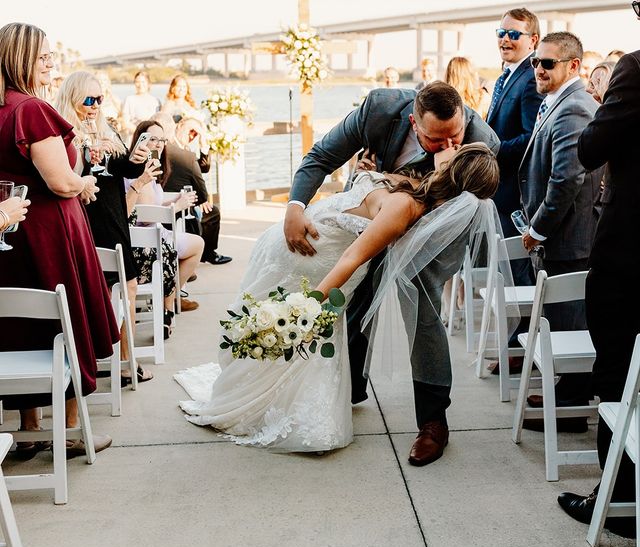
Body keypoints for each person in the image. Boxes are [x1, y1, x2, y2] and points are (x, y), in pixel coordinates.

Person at [175, 144, 501, 452]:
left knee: (278, 340)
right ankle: (254, 399)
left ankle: (261, 393)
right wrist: (310, 305)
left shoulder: (410, 185)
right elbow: (352, 257)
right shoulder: (405, 208)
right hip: (310, 259)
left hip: (296, 246)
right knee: (284, 333)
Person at [284, 81, 500, 465]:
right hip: (380, 207)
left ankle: (433, 422)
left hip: (436, 223)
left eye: (456, 134)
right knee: (354, 294)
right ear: (414, 123)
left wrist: (443, 176)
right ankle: (349, 386)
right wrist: (295, 206)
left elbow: (452, 216)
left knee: (421, 300)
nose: (449, 145)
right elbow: (321, 156)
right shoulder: (380, 108)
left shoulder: (483, 142)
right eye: (436, 139)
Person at [0, 22, 118, 456]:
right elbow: (60, 182)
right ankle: (66, 431)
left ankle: (27, 427)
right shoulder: (30, 109)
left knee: (19, 322)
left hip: (11, 234)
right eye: (44, 57)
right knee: (60, 319)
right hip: (47, 231)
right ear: (20, 60)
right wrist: (82, 181)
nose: (52, 63)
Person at [557, 0, 640, 539]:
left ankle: (617, 499)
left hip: (633, 252)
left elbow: (590, 147)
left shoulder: (635, 70)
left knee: (618, 370)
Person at [517, 32, 603, 429]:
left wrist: (538, 229)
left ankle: (570, 409)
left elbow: (567, 179)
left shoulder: (575, 108)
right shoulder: (558, 103)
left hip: (569, 237)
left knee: (570, 323)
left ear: (573, 66)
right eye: (536, 62)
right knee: (564, 320)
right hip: (563, 236)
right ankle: (566, 393)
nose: (538, 69)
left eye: (548, 63)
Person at [54, 70, 153, 384]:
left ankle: (126, 363)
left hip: (112, 219)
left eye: (99, 99)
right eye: (88, 99)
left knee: (127, 289)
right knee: (86, 294)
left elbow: (123, 167)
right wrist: (86, 153)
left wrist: (135, 157)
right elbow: (66, 176)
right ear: (72, 98)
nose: (95, 105)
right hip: (82, 222)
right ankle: (93, 363)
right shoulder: (62, 132)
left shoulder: (105, 128)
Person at [128, 120, 204, 310]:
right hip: (146, 241)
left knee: (194, 242)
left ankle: (170, 295)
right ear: (140, 140)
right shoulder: (139, 171)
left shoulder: (151, 166)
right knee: (197, 245)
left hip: (153, 234)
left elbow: (152, 206)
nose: (159, 144)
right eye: (153, 139)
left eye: (162, 140)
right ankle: (170, 297)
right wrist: (177, 207)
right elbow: (146, 216)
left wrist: (175, 200)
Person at [486, 8, 542, 241]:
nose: (505, 39)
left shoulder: (531, 77)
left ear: (533, 40)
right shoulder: (506, 75)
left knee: (514, 268)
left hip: (514, 196)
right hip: (497, 191)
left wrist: (490, 151)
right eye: (501, 32)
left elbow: (532, 137)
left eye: (514, 34)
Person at [160, 113, 232, 265]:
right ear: (179, 126)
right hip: (178, 201)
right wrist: (201, 199)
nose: (192, 135)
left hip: (182, 198)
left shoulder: (184, 150)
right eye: (191, 130)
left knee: (208, 210)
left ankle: (206, 252)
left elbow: (202, 168)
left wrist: (203, 145)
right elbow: (198, 180)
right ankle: (206, 253)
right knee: (212, 212)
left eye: (196, 134)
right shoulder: (177, 151)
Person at [121, 71, 160, 138]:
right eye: (137, 82)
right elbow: (125, 123)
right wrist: (141, 133)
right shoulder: (129, 99)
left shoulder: (156, 101)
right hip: (134, 136)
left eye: (143, 82)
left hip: (152, 137)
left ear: (148, 83)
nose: (140, 84)